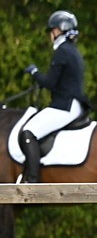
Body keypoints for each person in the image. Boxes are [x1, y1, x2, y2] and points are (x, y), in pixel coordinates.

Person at [17, 10, 90, 183]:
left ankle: (31, 180)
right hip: (73, 104)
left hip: (65, 105)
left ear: (59, 30)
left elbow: (49, 82)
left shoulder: (62, 51)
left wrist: (34, 72)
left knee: (28, 132)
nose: (51, 35)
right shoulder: (72, 50)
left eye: (52, 30)